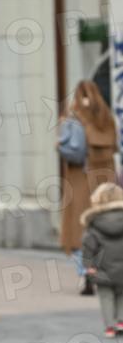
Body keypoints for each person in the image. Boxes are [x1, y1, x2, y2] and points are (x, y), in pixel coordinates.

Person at [59, 80, 118, 295]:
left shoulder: (75, 116)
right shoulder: (107, 118)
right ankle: (107, 274)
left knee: (78, 228)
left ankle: (86, 275)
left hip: (80, 178)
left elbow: (68, 148)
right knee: (106, 225)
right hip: (104, 180)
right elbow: (115, 146)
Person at [81, 182, 123, 338]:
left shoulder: (94, 222)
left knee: (106, 296)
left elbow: (88, 246)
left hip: (103, 269)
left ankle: (110, 327)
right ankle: (121, 321)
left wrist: (88, 265)